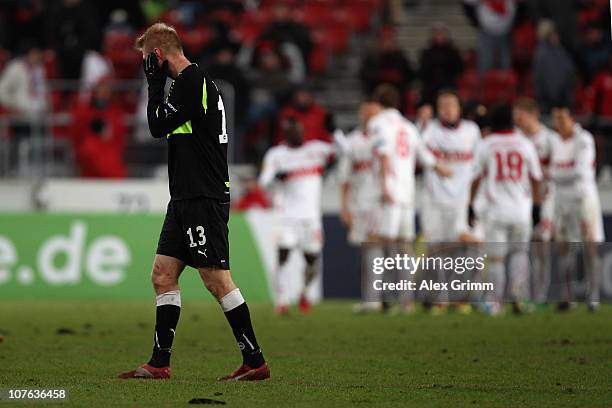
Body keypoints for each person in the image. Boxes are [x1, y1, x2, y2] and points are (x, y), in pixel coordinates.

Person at [119, 23, 269, 381]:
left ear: (157, 56)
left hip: (204, 195)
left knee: (216, 279)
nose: (146, 68)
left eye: (146, 60)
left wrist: (155, 85)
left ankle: (255, 360)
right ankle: (159, 363)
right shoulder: (192, 84)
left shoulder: (190, 82)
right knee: (162, 275)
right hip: (185, 196)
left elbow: (157, 126)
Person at [368, 85, 451, 313]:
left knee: (384, 245)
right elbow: (424, 155)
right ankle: (406, 300)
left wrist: (385, 185)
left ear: (378, 104)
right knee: (404, 248)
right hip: (407, 194)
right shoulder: (407, 126)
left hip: (390, 193)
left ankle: (382, 297)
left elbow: (383, 153)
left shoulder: (378, 124)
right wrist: (440, 167)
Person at [259, 117, 343, 315]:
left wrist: (335, 132)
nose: (297, 135)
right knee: (283, 254)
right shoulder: (276, 155)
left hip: (311, 218)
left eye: (299, 131)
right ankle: (281, 300)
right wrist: (276, 177)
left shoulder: (316, 149)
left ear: (303, 132)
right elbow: (263, 181)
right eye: (292, 132)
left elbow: (344, 151)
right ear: (285, 134)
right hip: (286, 216)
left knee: (312, 259)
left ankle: (304, 292)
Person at [470, 104, 543, 315]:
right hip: (521, 210)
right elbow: (537, 178)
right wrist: (537, 206)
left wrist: (470, 204)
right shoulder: (525, 144)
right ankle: (519, 296)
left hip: (495, 212)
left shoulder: (487, 145)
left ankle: (495, 303)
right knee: (519, 254)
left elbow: (475, 178)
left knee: (496, 259)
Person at [420, 90, 481, 311]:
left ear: (459, 108)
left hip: (461, 200)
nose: (447, 109)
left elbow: (479, 165)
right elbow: (418, 151)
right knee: (435, 248)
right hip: (434, 199)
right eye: (442, 105)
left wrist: (475, 200)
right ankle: (439, 297)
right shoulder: (430, 130)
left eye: (451, 105)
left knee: (464, 247)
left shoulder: (472, 131)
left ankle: (460, 297)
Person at [549, 106, 604, 312]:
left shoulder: (584, 139)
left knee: (589, 246)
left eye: (562, 118)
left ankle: (594, 295)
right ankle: (567, 296)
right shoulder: (554, 141)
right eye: (556, 119)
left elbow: (580, 171)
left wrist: (555, 174)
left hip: (583, 199)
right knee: (564, 246)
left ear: (572, 118)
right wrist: (558, 173)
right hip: (561, 201)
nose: (559, 123)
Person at [337, 100, 382, 313]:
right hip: (359, 205)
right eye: (365, 113)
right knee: (366, 255)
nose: (368, 117)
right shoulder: (351, 142)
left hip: (382, 203)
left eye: (372, 113)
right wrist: (344, 207)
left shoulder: (385, 139)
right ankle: (372, 298)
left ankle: (383, 299)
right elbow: (344, 178)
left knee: (383, 250)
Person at [512, 97, 555, 307]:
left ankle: (540, 295)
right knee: (520, 249)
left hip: (545, 201)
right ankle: (521, 295)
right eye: (516, 117)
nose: (518, 121)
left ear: (533, 114)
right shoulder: (517, 138)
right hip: (522, 201)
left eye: (521, 116)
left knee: (541, 248)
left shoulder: (549, 139)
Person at [69, 77, 127, 178]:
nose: (104, 93)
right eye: (101, 89)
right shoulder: (84, 113)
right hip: (90, 159)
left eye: (106, 89)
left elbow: (119, 138)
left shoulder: (114, 113)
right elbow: (77, 136)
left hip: (108, 154)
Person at [533, 20, 576, 114]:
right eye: (553, 34)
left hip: (562, 101)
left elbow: (569, 70)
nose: (556, 37)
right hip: (549, 105)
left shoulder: (559, 51)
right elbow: (545, 80)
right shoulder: (543, 54)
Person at [418, 23, 464, 106]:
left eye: (441, 33)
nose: (439, 36)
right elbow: (422, 71)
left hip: (449, 85)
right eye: (437, 33)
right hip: (430, 88)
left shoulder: (453, 52)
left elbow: (459, 69)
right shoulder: (427, 52)